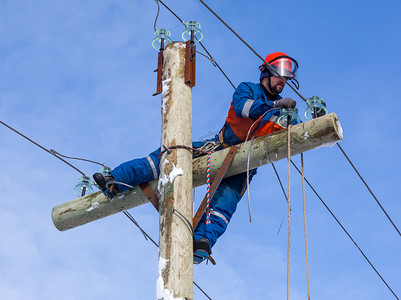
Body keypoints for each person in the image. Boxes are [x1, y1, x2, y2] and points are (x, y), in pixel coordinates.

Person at [93, 51, 300, 264]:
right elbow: (244, 108)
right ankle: (117, 179)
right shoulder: (249, 89)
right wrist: (274, 105)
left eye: (285, 80)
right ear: (265, 72)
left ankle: (202, 243)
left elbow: (298, 132)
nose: (282, 83)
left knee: (225, 202)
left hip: (247, 159)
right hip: (222, 145)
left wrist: (309, 121)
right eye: (279, 77)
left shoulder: (285, 111)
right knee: (171, 156)